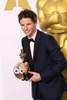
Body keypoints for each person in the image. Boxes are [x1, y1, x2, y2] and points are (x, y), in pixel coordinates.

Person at [18, 9, 67, 100]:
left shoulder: (47, 39)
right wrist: (24, 66)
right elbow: (31, 61)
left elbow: (62, 63)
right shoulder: (24, 41)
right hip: (37, 91)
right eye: (22, 25)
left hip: (52, 89)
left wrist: (41, 76)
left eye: (28, 24)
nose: (25, 28)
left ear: (35, 23)